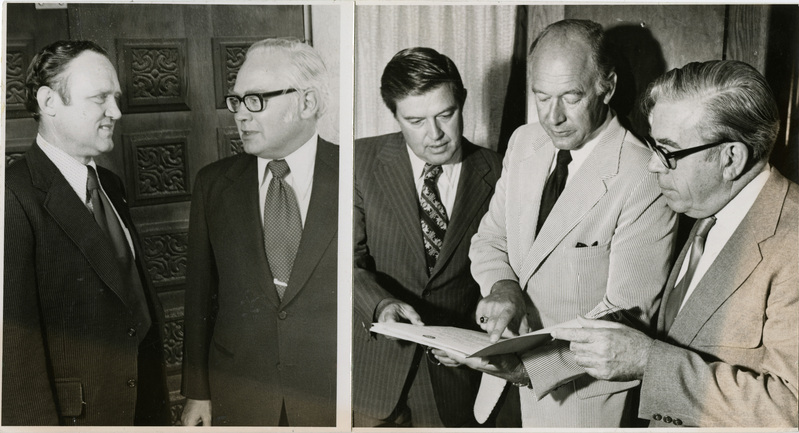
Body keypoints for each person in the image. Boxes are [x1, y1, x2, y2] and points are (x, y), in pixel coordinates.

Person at [435, 19, 677, 427]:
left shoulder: (642, 175)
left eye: (571, 96)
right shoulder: (524, 141)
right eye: (542, 97)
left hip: (576, 404)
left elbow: (625, 318)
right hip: (497, 396)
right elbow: (491, 238)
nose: (554, 117)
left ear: (608, 86)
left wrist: (530, 369)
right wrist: (504, 287)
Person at [552, 60, 799, 427]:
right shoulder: (709, 209)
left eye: (668, 151)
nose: (653, 165)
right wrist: (533, 365)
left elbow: (788, 409)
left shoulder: (791, 240)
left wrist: (648, 362)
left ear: (731, 158)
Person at [3, 40, 170, 426]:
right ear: (48, 102)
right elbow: (11, 352)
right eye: (99, 98)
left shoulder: (109, 184)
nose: (116, 111)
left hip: (142, 405)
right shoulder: (12, 195)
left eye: (115, 98)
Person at [180, 38, 338, 426]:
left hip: (331, 394)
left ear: (307, 102)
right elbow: (200, 295)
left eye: (256, 100)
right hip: (241, 393)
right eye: (236, 101)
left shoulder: (354, 173)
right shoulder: (214, 184)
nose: (241, 115)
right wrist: (197, 392)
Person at [352, 47, 503, 427]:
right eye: (416, 120)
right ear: (396, 116)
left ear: (462, 103)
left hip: (458, 378)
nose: (434, 134)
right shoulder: (358, 162)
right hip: (374, 376)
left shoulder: (500, 171)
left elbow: (507, 271)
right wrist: (381, 305)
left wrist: (476, 337)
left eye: (446, 115)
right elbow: (343, 262)